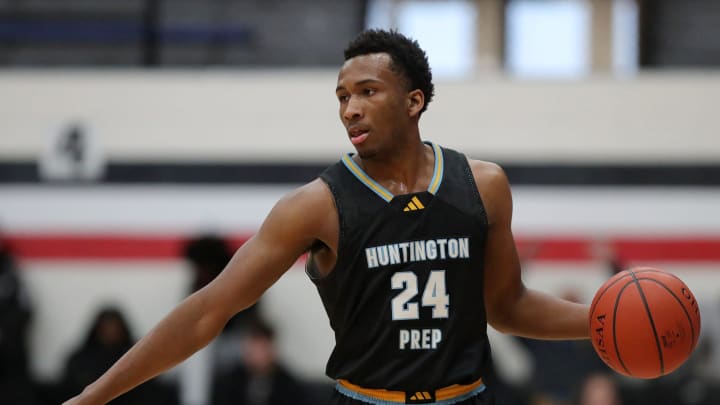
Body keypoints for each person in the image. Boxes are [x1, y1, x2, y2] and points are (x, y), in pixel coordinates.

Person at [63, 29, 590, 405]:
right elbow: (207, 310)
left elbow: (508, 306)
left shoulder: (483, 186)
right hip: (367, 399)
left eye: (367, 92)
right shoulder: (315, 205)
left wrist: (603, 320)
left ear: (414, 102)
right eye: (342, 96)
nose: (349, 109)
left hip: (466, 397)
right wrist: (93, 397)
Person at [211, 317, 308, 405]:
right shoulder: (228, 381)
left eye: (262, 348)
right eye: (253, 348)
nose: (256, 354)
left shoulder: (289, 385)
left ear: (271, 349)